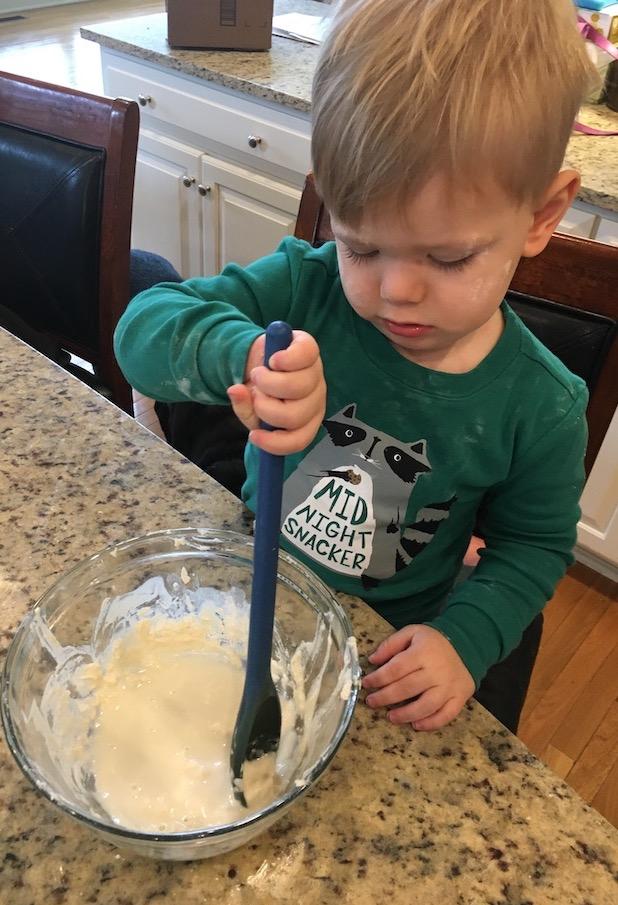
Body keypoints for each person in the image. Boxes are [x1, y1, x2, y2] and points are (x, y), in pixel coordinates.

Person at [114, 0, 595, 734]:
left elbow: (532, 548)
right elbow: (142, 328)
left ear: (541, 215)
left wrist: (463, 640)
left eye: (449, 256)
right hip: (243, 583)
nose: (396, 289)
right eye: (362, 246)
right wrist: (237, 354)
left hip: (376, 646)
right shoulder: (308, 287)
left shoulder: (542, 406)